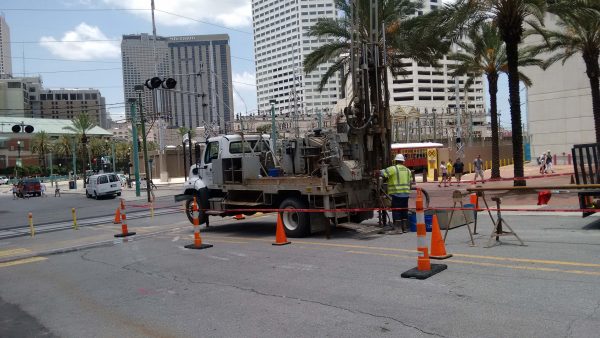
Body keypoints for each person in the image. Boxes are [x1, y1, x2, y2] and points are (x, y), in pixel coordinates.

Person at [381, 154, 413, 234]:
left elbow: (382, 173)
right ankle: (404, 228)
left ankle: (397, 229)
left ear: (395, 161)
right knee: (404, 210)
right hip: (406, 194)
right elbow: (411, 182)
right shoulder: (408, 170)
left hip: (396, 193)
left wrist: (377, 171)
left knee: (396, 211)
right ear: (403, 161)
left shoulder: (393, 169)